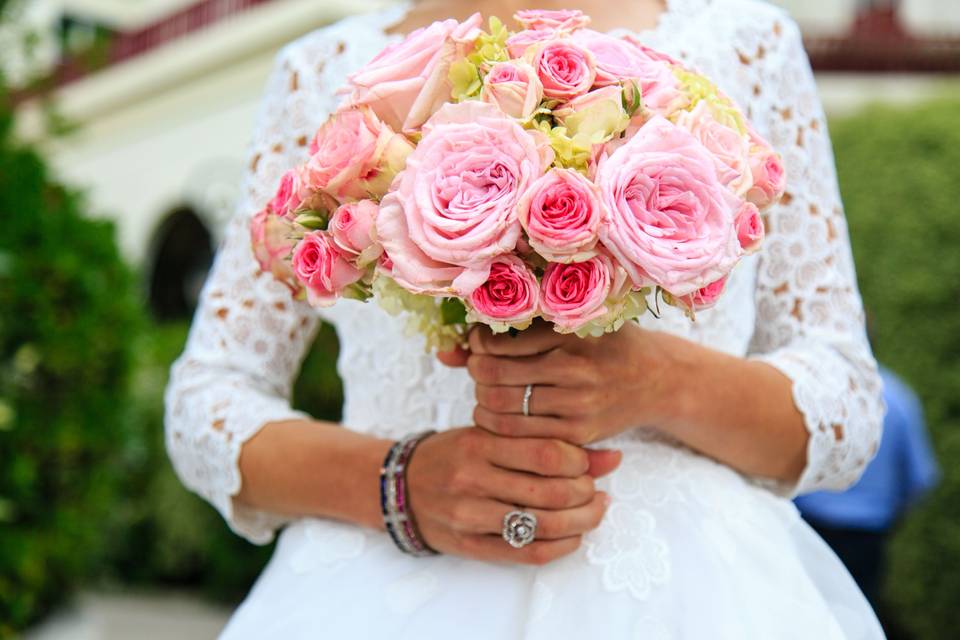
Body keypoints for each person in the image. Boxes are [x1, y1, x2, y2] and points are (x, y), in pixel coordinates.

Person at [164, 0, 888, 637]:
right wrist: (397, 484)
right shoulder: (323, 71)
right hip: (379, 590)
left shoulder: (747, 42)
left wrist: (660, 378)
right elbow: (208, 396)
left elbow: (845, 401)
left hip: (691, 593)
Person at [796, 366, 940, 607]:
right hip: (866, 536)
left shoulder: (809, 391)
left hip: (811, 525)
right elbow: (920, 478)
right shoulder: (899, 396)